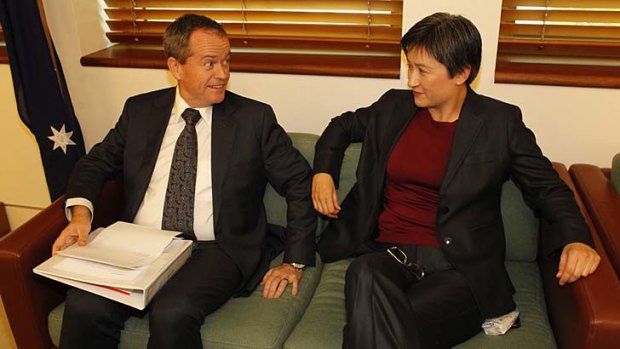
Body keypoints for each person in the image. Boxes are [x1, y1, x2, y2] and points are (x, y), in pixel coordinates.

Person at [312, 12, 600, 349]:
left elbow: (547, 188)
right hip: (388, 254)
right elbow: (340, 127)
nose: (411, 81)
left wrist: (577, 239)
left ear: (462, 73)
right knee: (362, 273)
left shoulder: (499, 123)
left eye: (423, 71)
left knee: (379, 324)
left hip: (460, 267)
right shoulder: (393, 107)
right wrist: (323, 173)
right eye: (409, 67)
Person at [51, 14, 316, 349]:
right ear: (176, 67)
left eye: (226, 61)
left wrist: (295, 261)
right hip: (141, 244)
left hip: (215, 250)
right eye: (209, 63)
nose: (222, 73)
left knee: (172, 312)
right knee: (84, 305)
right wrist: (80, 216)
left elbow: (299, 182)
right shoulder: (140, 111)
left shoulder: (253, 119)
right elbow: (95, 163)